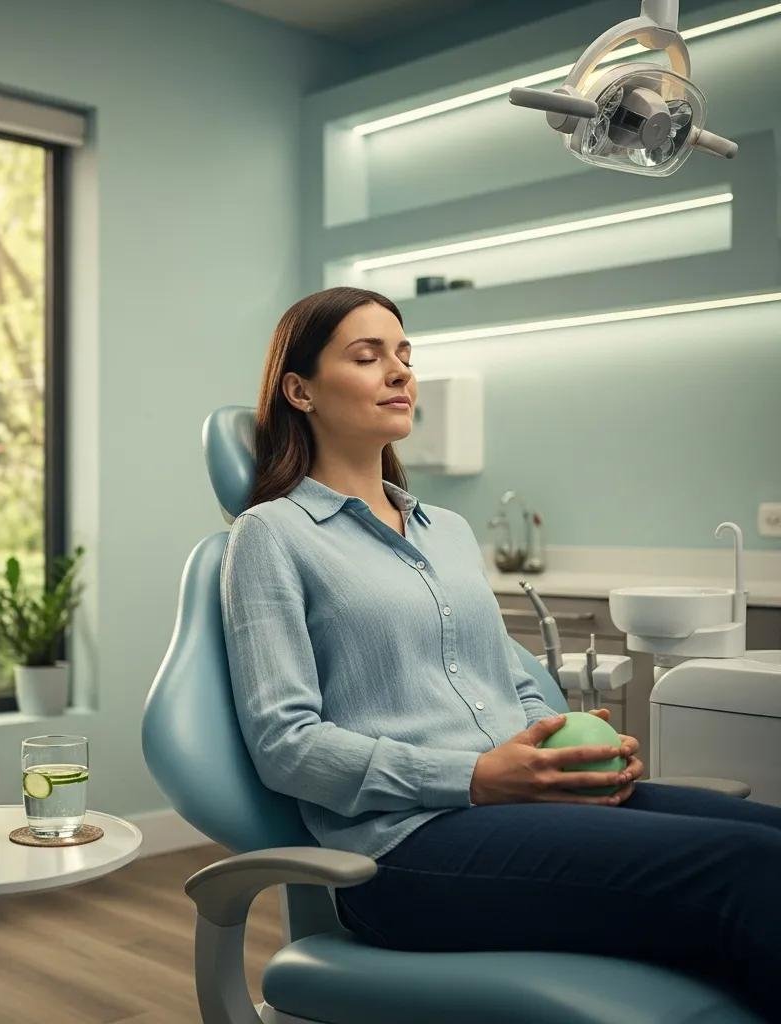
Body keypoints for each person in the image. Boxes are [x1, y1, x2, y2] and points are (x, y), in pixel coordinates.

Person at [219, 286, 781, 1021]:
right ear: (300, 390)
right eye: (367, 356)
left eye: (404, 354)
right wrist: (477, 777)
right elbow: (286, 745)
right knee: (748, 870)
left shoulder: (445, 530)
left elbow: (513, 679)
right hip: (407, 853)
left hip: (523, 810)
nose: (400, 372)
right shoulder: (270, 535)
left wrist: (573, 758)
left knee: (769, 834)